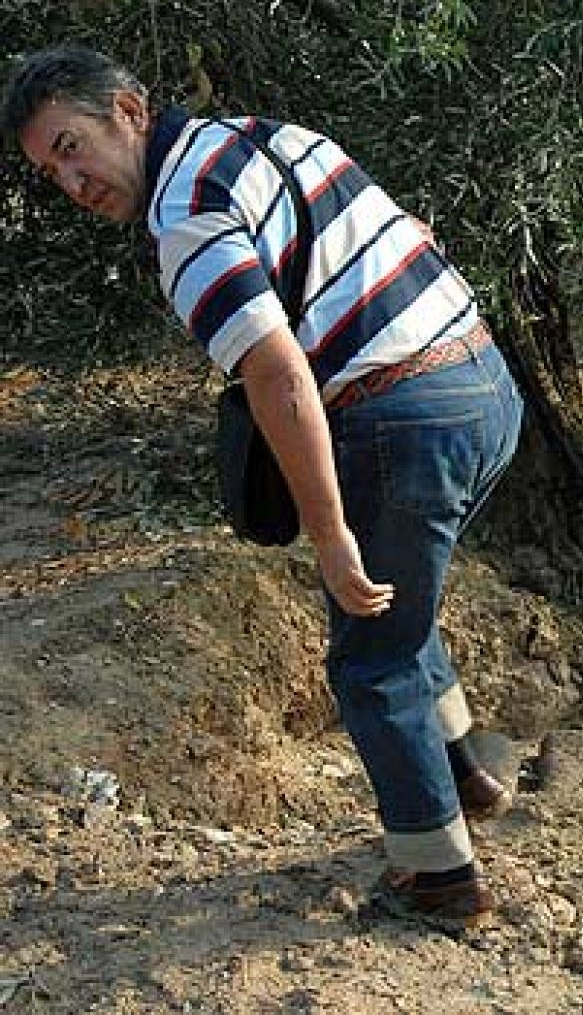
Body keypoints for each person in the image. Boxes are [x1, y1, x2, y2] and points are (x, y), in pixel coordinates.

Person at [2, 45, 524, 929]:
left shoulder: (188, 217)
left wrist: (328, 536)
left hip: (407, 419)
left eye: (72, 145)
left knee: (371, 653)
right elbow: (409, 236)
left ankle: (437, 878)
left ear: (129, 109)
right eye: (51, 168)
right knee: (402, 599)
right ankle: (465, 767)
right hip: (487, 389)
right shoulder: (269, 140)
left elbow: (278, 378)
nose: (72, 180)